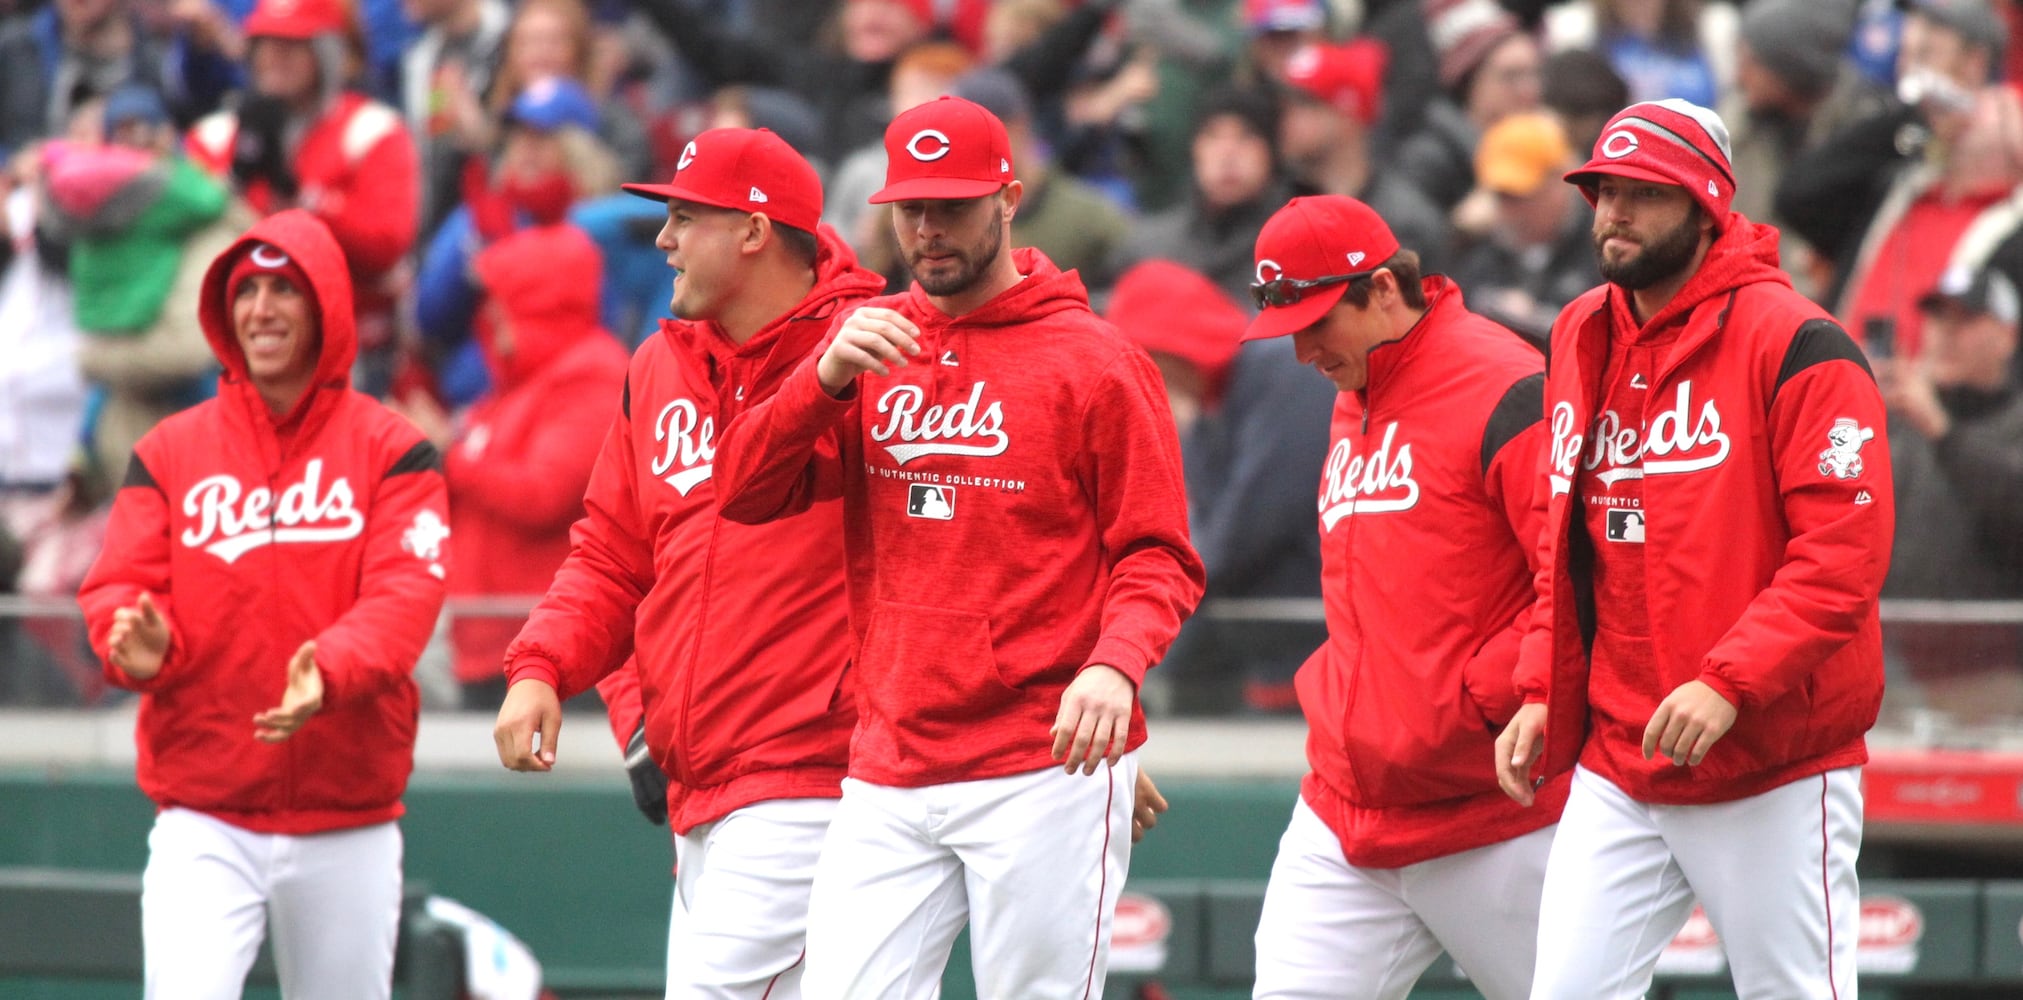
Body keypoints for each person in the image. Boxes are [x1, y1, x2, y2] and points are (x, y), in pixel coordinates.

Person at [712, 96, 1204, 997]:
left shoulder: (1094, 360)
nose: (928, 230)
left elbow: (1159, 552)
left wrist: (1114, 666)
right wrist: (817, 382)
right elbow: (740, 494)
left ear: (1008, 199)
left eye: (953, 205)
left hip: (1043, 757)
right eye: (911, 208)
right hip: (890, 752)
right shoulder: (860, 345)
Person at [1494, 98, 1893, 999]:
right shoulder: (1579, 331)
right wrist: (1535, 686)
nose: (1613, 213)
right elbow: (1569, 540)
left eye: (1644, 193)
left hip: (1770, 759)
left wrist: (1728, 681)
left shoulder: (1799, 342)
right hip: (1619, 756)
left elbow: (1843, 557)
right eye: (1601, 190)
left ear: (1706, 205)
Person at [490, 127, 885, 997]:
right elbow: (610, 554)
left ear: (752, 229)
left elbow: (980, 530)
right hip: (697, 787)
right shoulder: (661, 363)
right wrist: (540, 666)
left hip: (814, 776)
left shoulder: (873, 352)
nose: (662, 240)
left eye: (682, 218)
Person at [76, 209, 449, 998]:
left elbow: (405, 594)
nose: (262, 309)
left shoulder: (394, 448)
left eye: (285, 289)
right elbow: (118, 585)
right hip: (206, 808)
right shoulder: (170, 449)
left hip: (346, 809)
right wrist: (132, 639)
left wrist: (331, 668)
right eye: (247, 291)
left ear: (328, 309)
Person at [1240, 195, 1564, 999]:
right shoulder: (1353, 390)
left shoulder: (1506, 384)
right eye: (1290, 327)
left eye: (1319, 321)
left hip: (1493, 814)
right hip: (1345, 808)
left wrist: (1488, 695)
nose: (1303, 350)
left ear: (1384, 288)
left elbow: (1582, 576)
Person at [1878, 265, 2023, 720]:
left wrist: (1941, 431)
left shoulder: (2007, 423)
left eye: (1964, 322)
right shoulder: (1897, 420)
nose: (1944, 335)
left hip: (1994, 678)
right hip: (1890, 671)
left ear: (2006, 337)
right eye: (1937, 321)